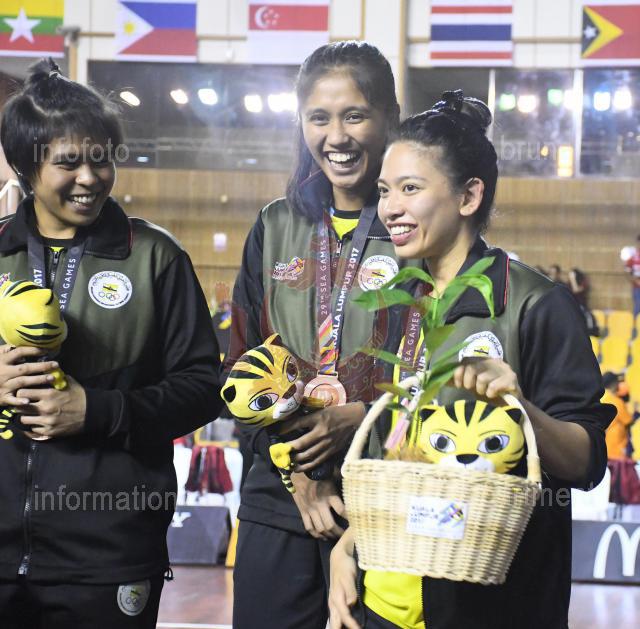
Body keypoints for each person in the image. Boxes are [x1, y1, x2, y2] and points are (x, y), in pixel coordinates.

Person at [328, 91, 614, 629]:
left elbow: (586, 462)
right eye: (385, 190)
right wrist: (349, 546)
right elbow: (397, 452)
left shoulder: (535, 304)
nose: (390, 207)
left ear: (468, 196)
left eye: (410, 188)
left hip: (489, 607)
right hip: (384, 598)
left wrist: (519, 406)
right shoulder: (395, 301)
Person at [0, 59, 221, 628]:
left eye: (101, 159)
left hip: (108, 553)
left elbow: (204, 387)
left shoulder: (154, 258)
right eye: (68, 162)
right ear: (26, 166)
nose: (90, 177)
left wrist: (98, 411)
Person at [228, 41, 412, 629]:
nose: (337, 137)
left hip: (384, 503)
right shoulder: (274, 224)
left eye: (355, 115)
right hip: (279, 502)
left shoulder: (415, 225)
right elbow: (238, 368)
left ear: (389, 117)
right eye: (319, 118)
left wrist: (365, 418)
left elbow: (437, 370)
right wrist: (295, 471)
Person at [602, 372, 632, 460]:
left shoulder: (600, 398)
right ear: (614, 383)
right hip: (616, 449)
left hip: (602, 447)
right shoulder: (616, 401)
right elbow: (628, 421)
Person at [624, 234, 640, 318]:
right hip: (637, 288)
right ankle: (635, 325)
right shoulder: (633, 258)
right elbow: (627, 273)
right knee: (638, 307)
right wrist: (635, 280)